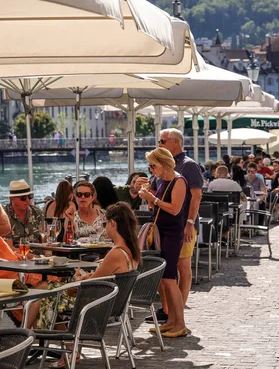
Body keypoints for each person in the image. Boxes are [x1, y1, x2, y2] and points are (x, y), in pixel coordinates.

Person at [31, 202, 141, 366]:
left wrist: (77, 280)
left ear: (112, 223)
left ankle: (25, 341)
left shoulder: (116, 253)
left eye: (105, 224)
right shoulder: (131, 251)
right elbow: (99, 278)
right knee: (47, 292)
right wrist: (85, 278)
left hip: (93, 306)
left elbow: (89, 285)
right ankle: (64, 348)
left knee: (44, 295)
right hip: (109, 305)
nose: (104, 228)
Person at [140, 129, 203, 324]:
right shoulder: (161, 171)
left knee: (182, 267)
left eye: (162, 140)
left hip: (181, 225)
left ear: (175, 142)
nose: (159, 143)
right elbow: (159, 198)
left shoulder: (188, 166)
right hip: (165, 227)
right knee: (165, 273)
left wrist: (190, 223)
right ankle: (169, 312)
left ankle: (177, 313)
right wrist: (147, 193)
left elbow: (196, 196)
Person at [138, 147, 188, 338]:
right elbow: (157, 206)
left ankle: (180, 323)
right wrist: (147, 197)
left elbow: (175, 209)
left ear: (163, 163)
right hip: (161, 231)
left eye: (153, 165)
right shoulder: (162, 180)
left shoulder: (179, 181)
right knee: (164, 279)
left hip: (172, 233)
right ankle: (171, 320)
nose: (151, 169)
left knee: (169, 279)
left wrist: (153, 199)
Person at [3, 179, 44, 249]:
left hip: (39, 256)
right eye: (23, 198)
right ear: (12, 199)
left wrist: (47, 255)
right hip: (16, 257)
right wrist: (30, 256)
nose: (28, 200)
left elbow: (44, 241)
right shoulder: (4, 216)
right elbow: (9, 248)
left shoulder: (37, 212)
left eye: (30, 196)